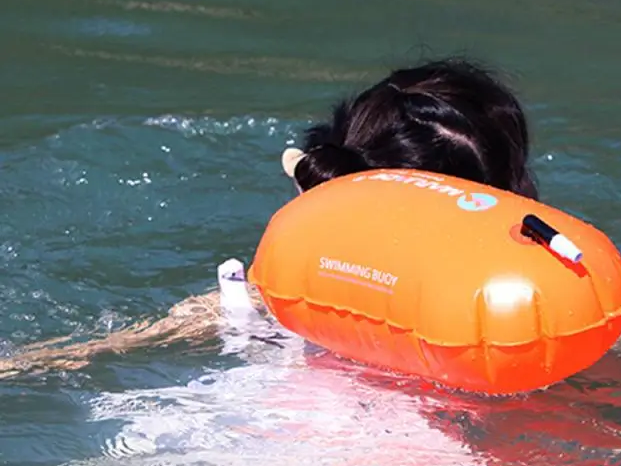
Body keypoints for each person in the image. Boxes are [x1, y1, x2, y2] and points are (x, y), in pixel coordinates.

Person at [0, 58, 541, 378]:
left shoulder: (271, 298)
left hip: (240, 446)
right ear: (507, 197)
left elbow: (92, 352)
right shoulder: (535, 320)